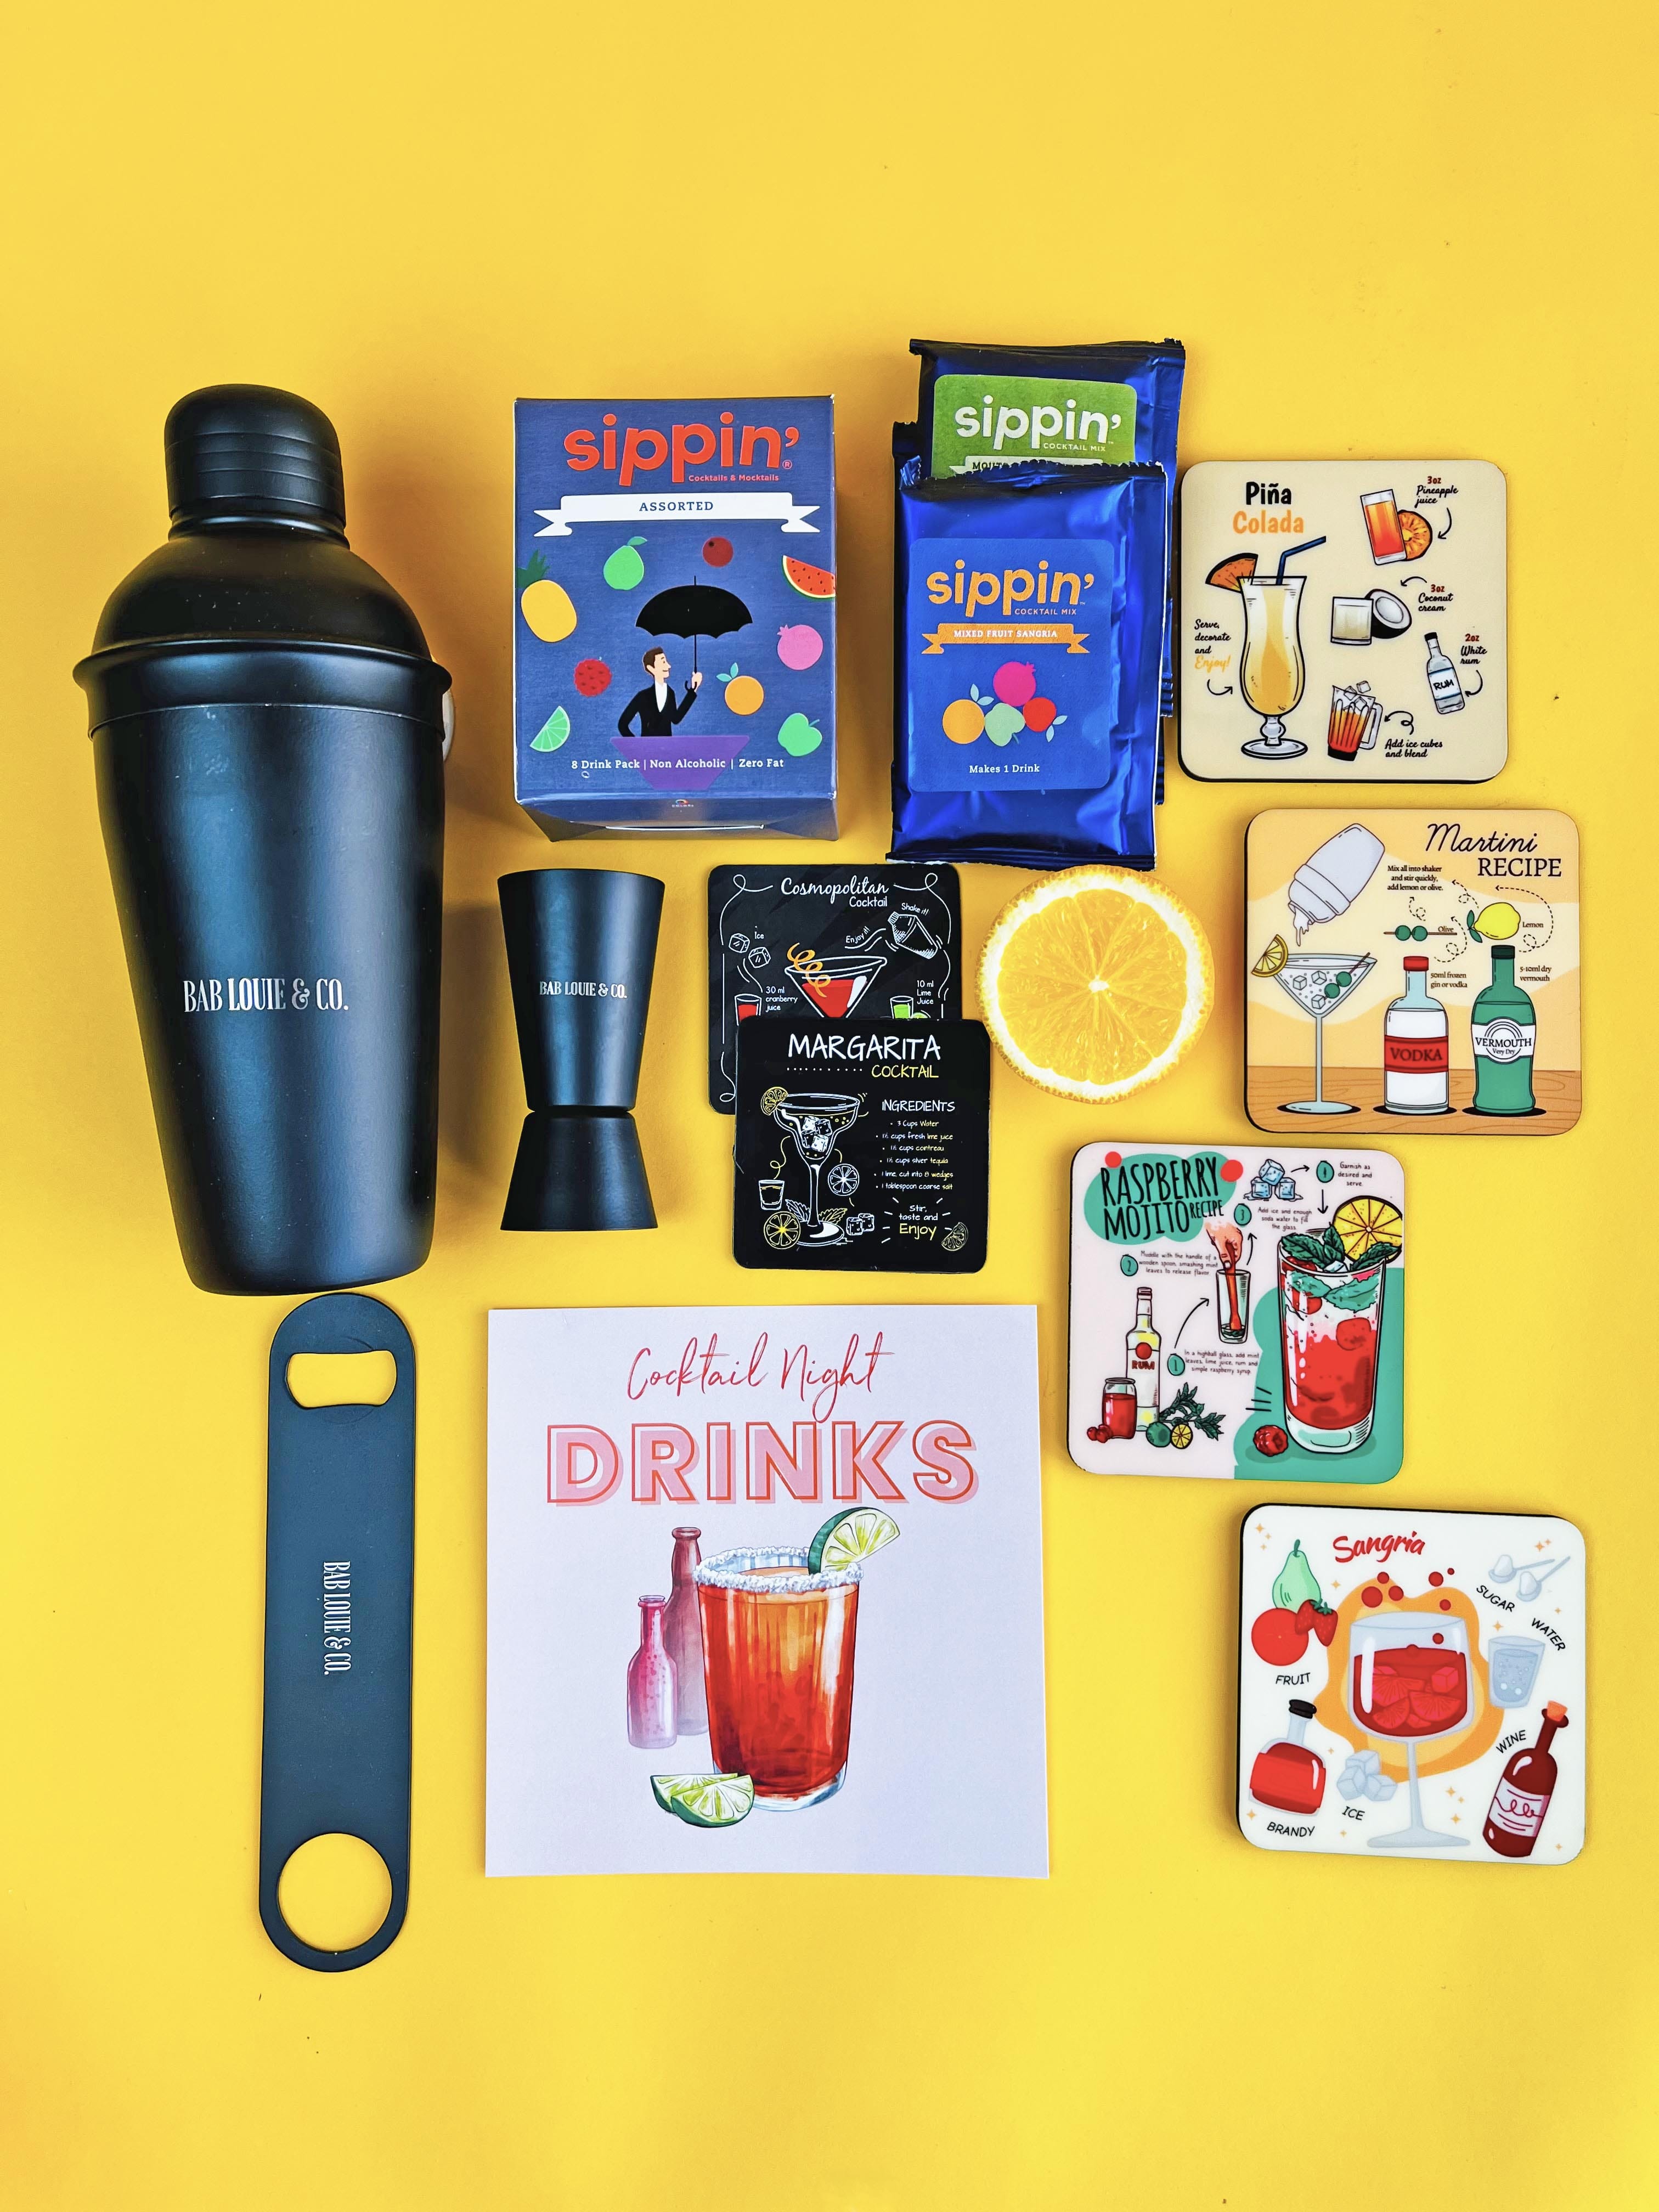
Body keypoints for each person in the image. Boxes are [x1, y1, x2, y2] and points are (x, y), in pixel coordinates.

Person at [617, 646, 702, 737]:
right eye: (663, 662)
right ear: (651, 668)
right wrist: (636, 743)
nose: (669, 666)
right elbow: (622, 724)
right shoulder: (643, 696)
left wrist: (694, 689)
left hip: (667, 745)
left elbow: (676, 719)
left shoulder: (670, 692)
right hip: (648, 745)